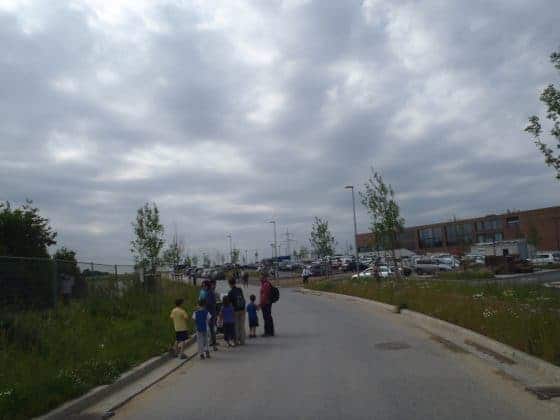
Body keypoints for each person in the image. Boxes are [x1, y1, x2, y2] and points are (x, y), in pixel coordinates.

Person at [228, 278, 246, 345]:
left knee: (236, 326)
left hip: (235, 310)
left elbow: (229, 303)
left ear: (229, 284)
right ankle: (242, 340)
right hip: (242, 309)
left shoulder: (230, 292)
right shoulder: (239, 289)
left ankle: (236, 341)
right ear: (235, 283)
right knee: (242, 325)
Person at [206, 280, 218, 351]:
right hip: (212, 312)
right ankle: (213, 343)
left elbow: (209, 303)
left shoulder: (209, 293)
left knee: (211, 329)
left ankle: (213, 343)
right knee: (211, 328)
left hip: (210, 313)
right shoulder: (211, 292)